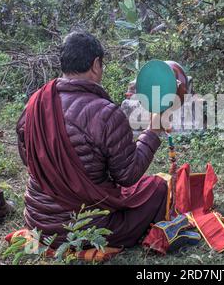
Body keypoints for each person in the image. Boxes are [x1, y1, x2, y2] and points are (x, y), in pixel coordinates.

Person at [16, 31, 167, 248]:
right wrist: (153, 131)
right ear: (96, 65)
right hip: (86, 231)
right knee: (158, 187)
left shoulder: (35, 103)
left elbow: (28, 159)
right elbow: (128, 175)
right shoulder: (105, 114)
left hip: (38, 223)